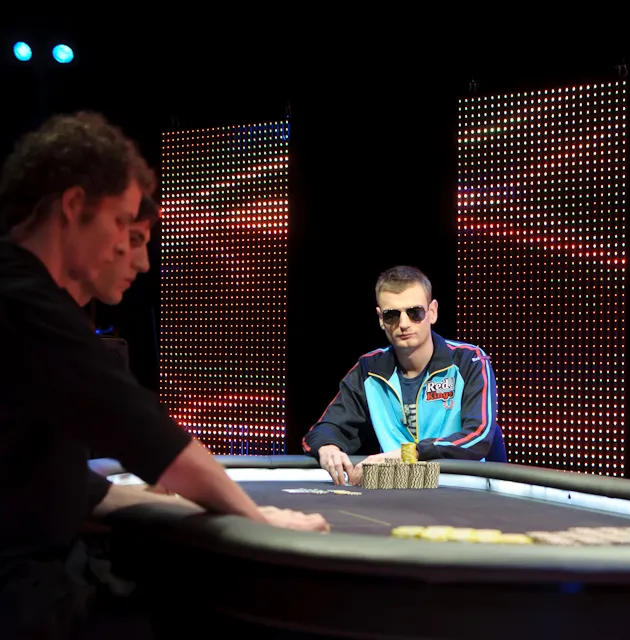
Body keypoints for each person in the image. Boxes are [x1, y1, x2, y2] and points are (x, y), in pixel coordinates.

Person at [0, 111, 328, 638]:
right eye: (122, 224)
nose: (138, 258)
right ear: (75, 207)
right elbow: (145, 433)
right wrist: (257, 519)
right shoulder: (23, 299)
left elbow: (57, 480)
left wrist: (176, 505)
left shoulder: (29, 296)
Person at [303, 265, 505, 485]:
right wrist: (328, 447)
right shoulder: (368, 368)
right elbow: (323, 430)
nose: (404, 324)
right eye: (392, 315)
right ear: (381, 319)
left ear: (432, 312)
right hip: (396, 487)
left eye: (415, 313)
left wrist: (408, 454)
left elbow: (478, 436)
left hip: (461, 486)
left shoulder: (469, 360)